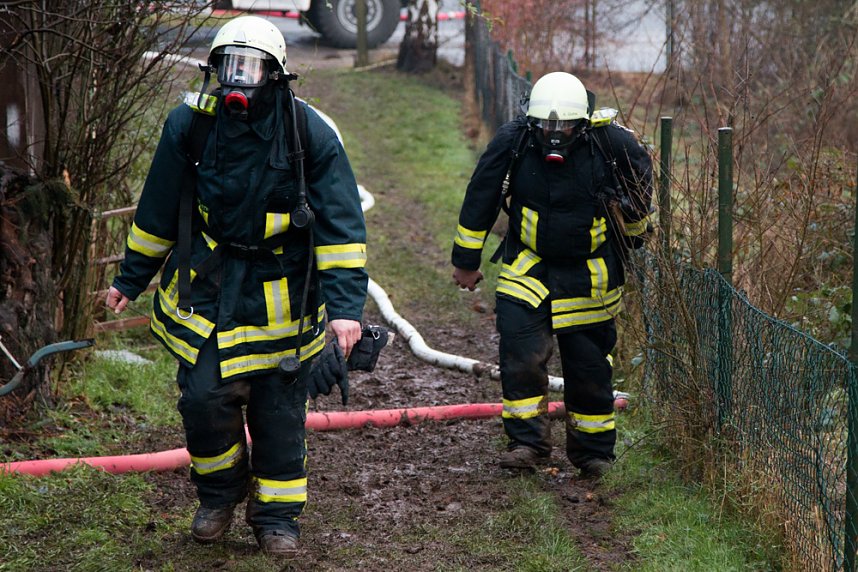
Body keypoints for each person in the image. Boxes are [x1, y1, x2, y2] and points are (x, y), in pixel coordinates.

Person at [106, 16, 368, 555]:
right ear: (214, 71)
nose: (238, 82)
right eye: (229, 68)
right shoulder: (190, 125)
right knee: (202, 400)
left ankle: (276, 519)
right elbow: (158, 206)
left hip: (283, 295)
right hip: (208, 287)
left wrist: (345, 309)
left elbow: (342, 226)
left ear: (275, 75)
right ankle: (219, 495)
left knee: (278, 412)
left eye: (250, 70)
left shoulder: (309, 133)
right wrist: (131, 278)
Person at [451, 72, 652, 478]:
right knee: (520, 357)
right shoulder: (515, 141)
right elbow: (481, 195)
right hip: (529, 266)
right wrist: (466, 261)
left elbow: (641, 199)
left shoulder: (612, 145)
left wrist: (631, 236)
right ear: (532, 121)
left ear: (584, 122)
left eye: (563, 126)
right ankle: (527, 444)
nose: (554, 134)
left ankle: (594, 454)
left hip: (588, 275)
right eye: (545, 125)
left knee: (590, 367)